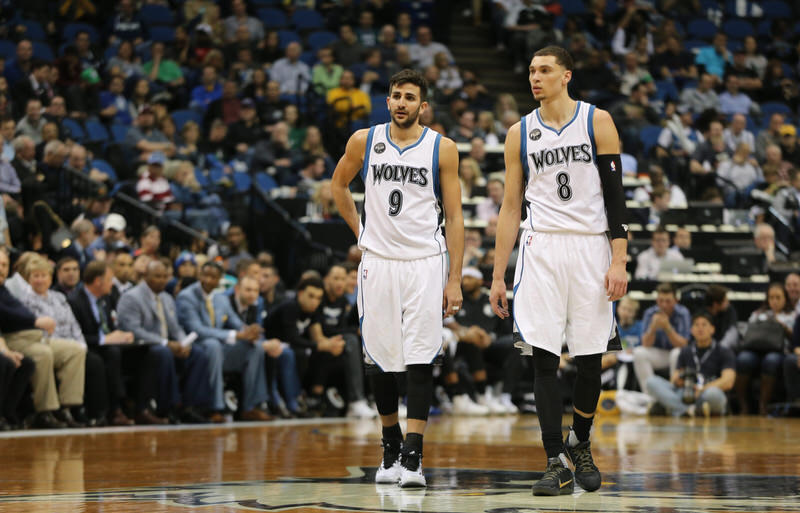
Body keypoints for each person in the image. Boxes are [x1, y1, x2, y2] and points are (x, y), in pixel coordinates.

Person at [488, 46, 628, 496]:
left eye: (545, 70)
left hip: (591, 248)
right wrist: (497, 274)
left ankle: (580, 444)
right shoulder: (519, 132)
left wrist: (620, 258)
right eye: (531, 70)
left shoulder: (597, 120)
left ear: (566, 75)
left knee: (590, 361)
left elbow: (615, 197)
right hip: (541, 247)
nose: (536, 77)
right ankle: (554, 461)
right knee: (542, 359)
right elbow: (511, 206)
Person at [331, 69, 463, 488]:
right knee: (380, 357)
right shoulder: (363, 141)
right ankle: (390, 442)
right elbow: (338, 185)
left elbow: (456, 216)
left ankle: (413, 455)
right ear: (387, 101)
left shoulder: (443, 148)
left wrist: (454, 278)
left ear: (423, 105)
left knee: (421, 356)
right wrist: (360, 232)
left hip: (425, 260)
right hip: (379, 262)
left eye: (410, 97)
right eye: (396, 96)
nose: (402, 102)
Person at [176, 262, 270, 422]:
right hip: (195, 346)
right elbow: (197, 330)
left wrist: (249, 332)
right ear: (199, 275)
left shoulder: (221, 299)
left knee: (255, 348)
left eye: (213, 277)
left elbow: (236, 323)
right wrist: (235, 334)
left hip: (218, 347)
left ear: (219, 280)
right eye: (205, 275)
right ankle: (214, 407)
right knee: (213, 345)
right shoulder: (187, 296)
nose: (207, 279)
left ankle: (250, 407)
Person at [645, 311, 736, 417]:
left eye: (704, 325)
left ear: (712, 329)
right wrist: (678, 380)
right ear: (692, 330)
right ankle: (691, 410)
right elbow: (675, 377)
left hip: (706, 394)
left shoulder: (723, 351)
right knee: (651, 382)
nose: (700, 328)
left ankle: (673, 408)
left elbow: (728, 381)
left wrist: (703, 389)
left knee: (713, 394)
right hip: (686, 394)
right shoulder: (686, 351)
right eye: (696, 325)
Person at [633, 282, 691, 393]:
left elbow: (683, 344)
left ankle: (673, 395)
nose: (664, 305)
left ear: (676, 300)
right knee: (639, 352)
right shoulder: (650, 313)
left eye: (668, 301)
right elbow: (645, 344)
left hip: (677, 354)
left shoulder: (683, 313)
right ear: (657, 300)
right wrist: (653, 328)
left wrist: (668, 328)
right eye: (661, 301)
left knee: (677, 353)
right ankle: (650, 396)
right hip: (659, 354)